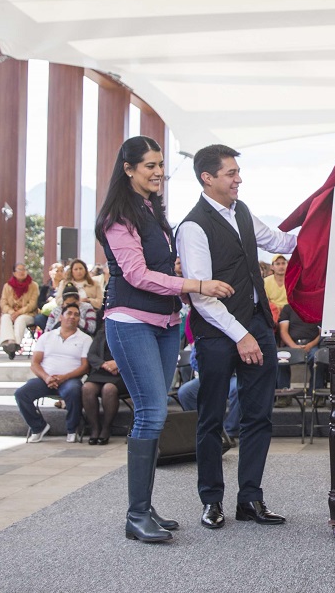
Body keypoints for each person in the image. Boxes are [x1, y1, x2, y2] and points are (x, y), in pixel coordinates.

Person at [95, 135, 234, 543]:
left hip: (167, 322)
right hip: (131, 319)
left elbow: (155, 265)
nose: (158, 172)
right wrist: (196, 283)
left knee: (153, 412)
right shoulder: (118, 217)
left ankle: (145, 508)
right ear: (128, 168)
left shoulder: (152, 212)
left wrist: (173, 266)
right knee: (152, 412)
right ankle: (136, 514)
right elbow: (135, 275)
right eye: (149, 166)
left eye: (160, 165)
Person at [176, 144, 297, 531]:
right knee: (211, 418)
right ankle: (212, 501)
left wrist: (324, 226)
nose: (238, 178)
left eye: (237, 172)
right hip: (217, 335)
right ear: (207, 178)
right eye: (230, 173)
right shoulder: (193, 226)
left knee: (259, 416)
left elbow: (280, 242)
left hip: (257, 327)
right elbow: (201, 295)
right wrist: (240, 335)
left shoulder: (242, 211)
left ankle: (250, 499)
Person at [14, 303, 90, 443]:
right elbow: (35, 363)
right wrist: (47, 377)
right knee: (21, 393)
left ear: (79, 319)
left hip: (70, 379)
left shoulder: (85, 339)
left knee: (74, 389)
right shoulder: (46, 337)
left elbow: (85, 367)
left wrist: (63, 377)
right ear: (61, 317)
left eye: (76, 315)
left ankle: (72, 429)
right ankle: (38, 427)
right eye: (69, 313)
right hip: (45, 379)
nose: (72, 317)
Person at [81, 326, 126, 445]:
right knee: (87, 388)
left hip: (122, 374)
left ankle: (106, 428)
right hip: (101, 370)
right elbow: (91, 355)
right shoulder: (101, 333)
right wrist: (104, 365)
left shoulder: (130, 333)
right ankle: (95, 428)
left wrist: (118, 363)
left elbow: (136, 354)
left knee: (108, 389)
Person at [0, 262, 39, 359]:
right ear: (14, 273)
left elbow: (32, 304)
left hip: (28, 314)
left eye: (24, 269)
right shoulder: (7, 286)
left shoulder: (33, 285)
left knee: (20, 319)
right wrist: (11, 312)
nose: (22, 272)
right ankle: (10, 343)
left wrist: (18, 313)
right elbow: (3, 303)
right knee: (5, 317)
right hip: (12, 313)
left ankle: (15, 344)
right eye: (19, 270)